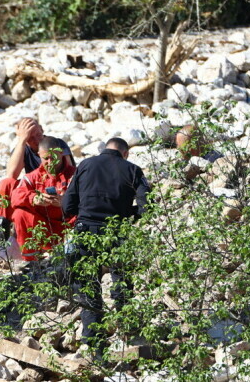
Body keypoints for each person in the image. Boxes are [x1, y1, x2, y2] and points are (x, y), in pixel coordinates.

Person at [61, 137, 150, 351]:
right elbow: (147, 206)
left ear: (104, 149)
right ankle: (129, 335)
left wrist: (86, 211)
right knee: (122, 285)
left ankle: (94, 346)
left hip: (85, 231)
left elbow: (67, 206)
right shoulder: (133, 170)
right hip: (117, 232)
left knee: (89, 288)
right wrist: (126, 213)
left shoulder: (85, 165)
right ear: (125, 153)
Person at [0, 118, 73, 232]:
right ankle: (1, 232)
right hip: (34, 193)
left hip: (58, 191)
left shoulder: (55, 143)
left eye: (38, 135)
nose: (36, 140)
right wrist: (22, 140)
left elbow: (68, 173)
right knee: (5, 184)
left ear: (42, 129)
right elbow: (11, 175)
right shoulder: (22, 148)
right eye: (30, 138)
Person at [9, 136, 75, 261]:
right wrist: (34, 199)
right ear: (39, 155)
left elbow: (89, 200)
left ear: (61, 153)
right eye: (46, 159)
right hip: (44, 229)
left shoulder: (76, 175)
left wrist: (66, 202)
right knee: (19, 213)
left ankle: (75, 256)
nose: (50, 163)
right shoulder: (32, 177)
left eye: (53, 158)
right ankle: (30, 261)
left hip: (68, 228)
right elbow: (15, 197)